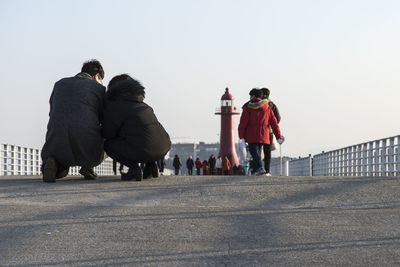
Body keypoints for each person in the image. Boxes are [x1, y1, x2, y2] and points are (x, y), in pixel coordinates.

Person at [41, 59, 105, 183]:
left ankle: (54, 163)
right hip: (85, 141)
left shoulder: (59, 84)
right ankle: (88, 166)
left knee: (60, 164)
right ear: (97, 76)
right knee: (108, 134)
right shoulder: (99, 88)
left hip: (56, 140)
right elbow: (103, 118)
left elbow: (52, 111)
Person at [102, 74, 171, 181]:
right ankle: (151, 166)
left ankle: (134, 169)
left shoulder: (117, 107)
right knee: (143, 138)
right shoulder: (144, 105)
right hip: (163, 147)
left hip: (144, 149)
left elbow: (108, 133)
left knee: (108, 145)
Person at [238, 88, 284, 176]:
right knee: (257, 152)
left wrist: (241, 137)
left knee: (254, 152)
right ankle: (256, 170)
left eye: (250, 96)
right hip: (264, 134)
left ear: (253, 96)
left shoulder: (248, 107)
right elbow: (274, 123)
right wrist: (278, 136)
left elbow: (243, 123)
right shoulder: (267, 107)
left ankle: (260, 168)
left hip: (251, 135)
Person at [259, 87, 281, 175]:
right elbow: (278, 118)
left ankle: (259, 169)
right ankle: (267, 170)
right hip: (269, 132)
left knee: (258, 150)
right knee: (267, 152)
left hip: (259, 131)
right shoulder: (272, 105)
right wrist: (272, 125)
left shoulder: (258, 104)